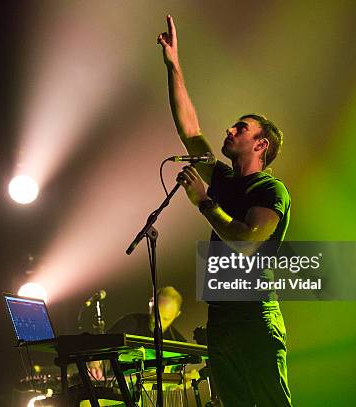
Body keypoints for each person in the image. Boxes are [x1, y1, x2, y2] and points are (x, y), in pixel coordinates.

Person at [157, 15, 292, 406]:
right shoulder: (221, 177)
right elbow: (189, 127)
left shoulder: (270, 189)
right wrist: (174, 65)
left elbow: (249, 240)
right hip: (222, 319)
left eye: (240, 128)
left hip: (254, 318)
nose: (229, 131)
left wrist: (203, 203)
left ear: (261, 144)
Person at [87, 286, 187, 381]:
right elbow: (103, 343)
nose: (157, 322)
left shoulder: (178, 342)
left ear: (177, 314)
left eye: (165, 319)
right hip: (119, 388)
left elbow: (178, 373)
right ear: (151, 303)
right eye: (155, 314)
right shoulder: (131, 322)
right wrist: (95, 362)